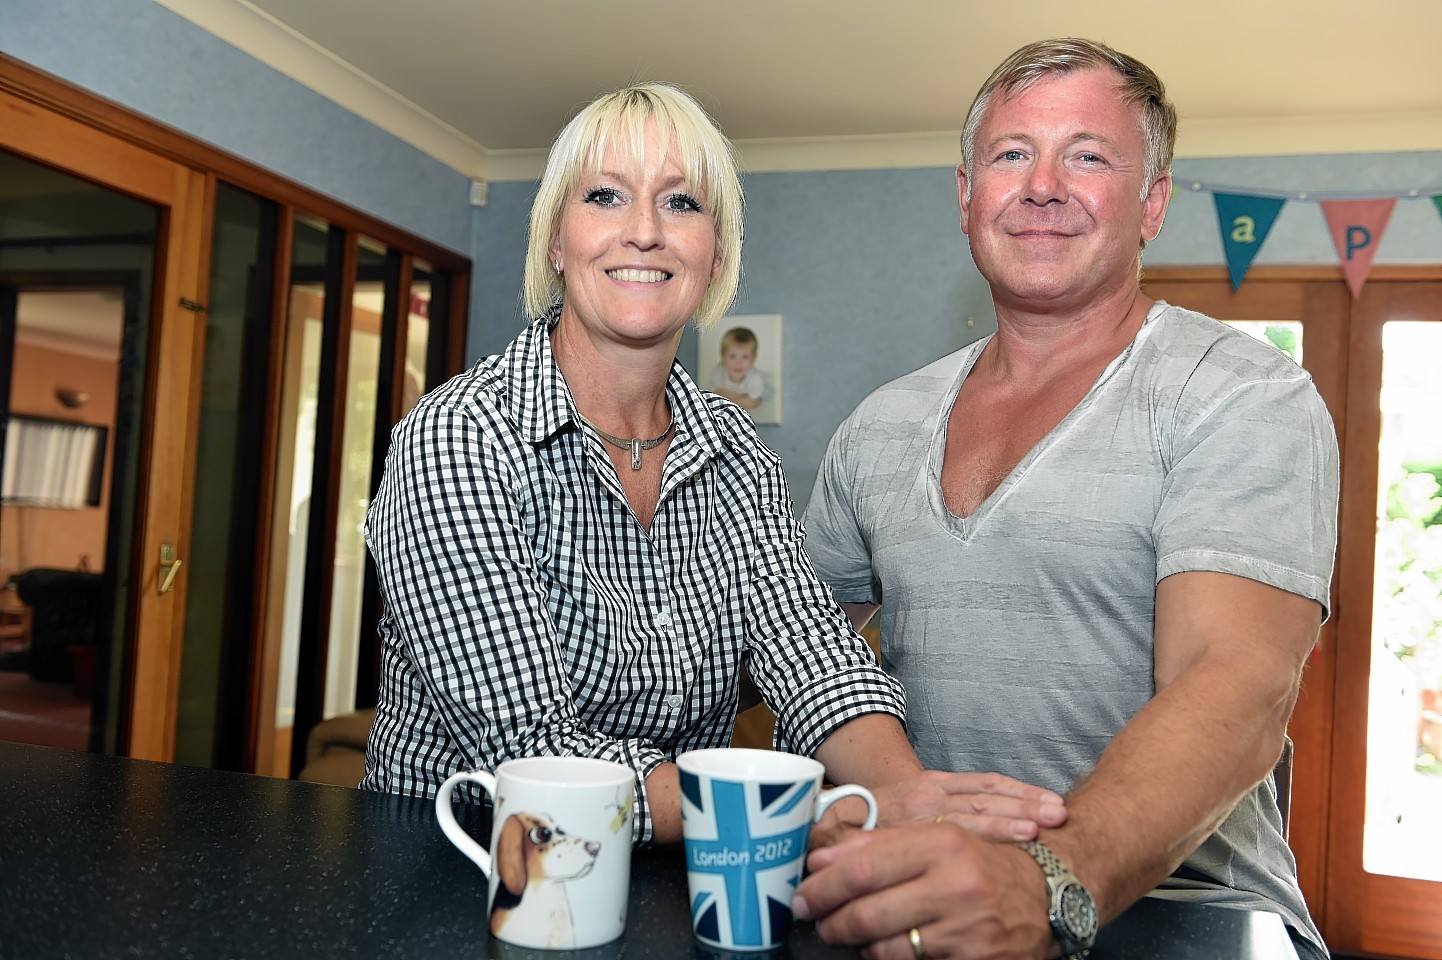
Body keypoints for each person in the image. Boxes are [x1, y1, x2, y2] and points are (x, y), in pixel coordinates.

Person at [359, 82, 1064, 848]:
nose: (644, 232)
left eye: (681, 204)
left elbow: (811, 653)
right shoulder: (459, 437)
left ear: (716, 251)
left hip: (667, 876)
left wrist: (911, 795)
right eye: (605, 196)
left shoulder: (736, 454)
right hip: (455, 877)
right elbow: (534, 753)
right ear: (556, 242)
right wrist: (822, 816)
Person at [795, 38, 1337, 960]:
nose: (1042, 186)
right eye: (1012, 154)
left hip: (1188, 909)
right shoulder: (879, 425)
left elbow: (1237, 681)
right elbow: (796, 653)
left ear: (1152, 202)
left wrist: (1053, 881)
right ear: (967, 197)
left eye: (1087, 155)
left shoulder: (1242, 393)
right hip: (923, 895)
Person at [706, 325, 766, 410]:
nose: (738, 362)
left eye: (745, 357)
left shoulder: (756, 379)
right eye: (732, 356)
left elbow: (753, 402)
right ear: (722, 356)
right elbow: (716, 394)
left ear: (754, 358)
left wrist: (727, 397)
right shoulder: (718, 373)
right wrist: (742, 399)